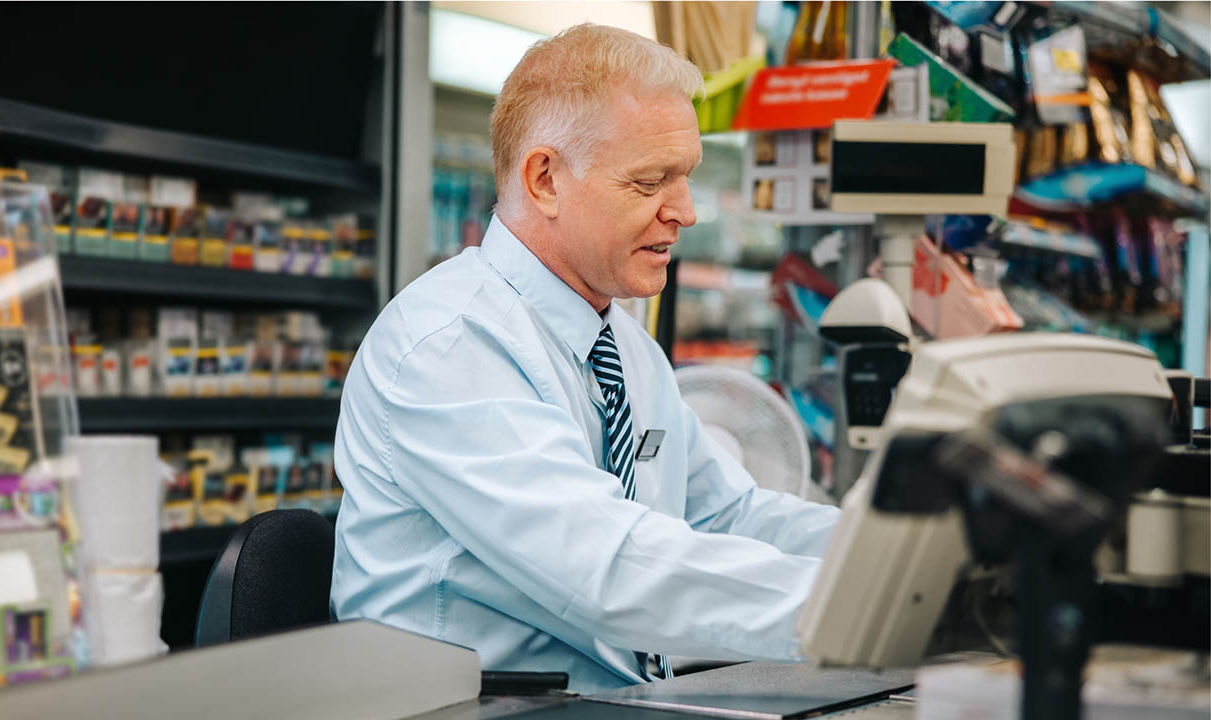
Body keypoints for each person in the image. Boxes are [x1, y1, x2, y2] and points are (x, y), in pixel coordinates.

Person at [331, 23, 841, 693]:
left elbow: (728, 514)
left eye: (683, 177)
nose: (684, 211)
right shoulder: (449, 345)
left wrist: (896, 564)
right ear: (545, 179)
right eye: (650, 180)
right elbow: (609, 565)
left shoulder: (624, 346)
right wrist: (855, 614)